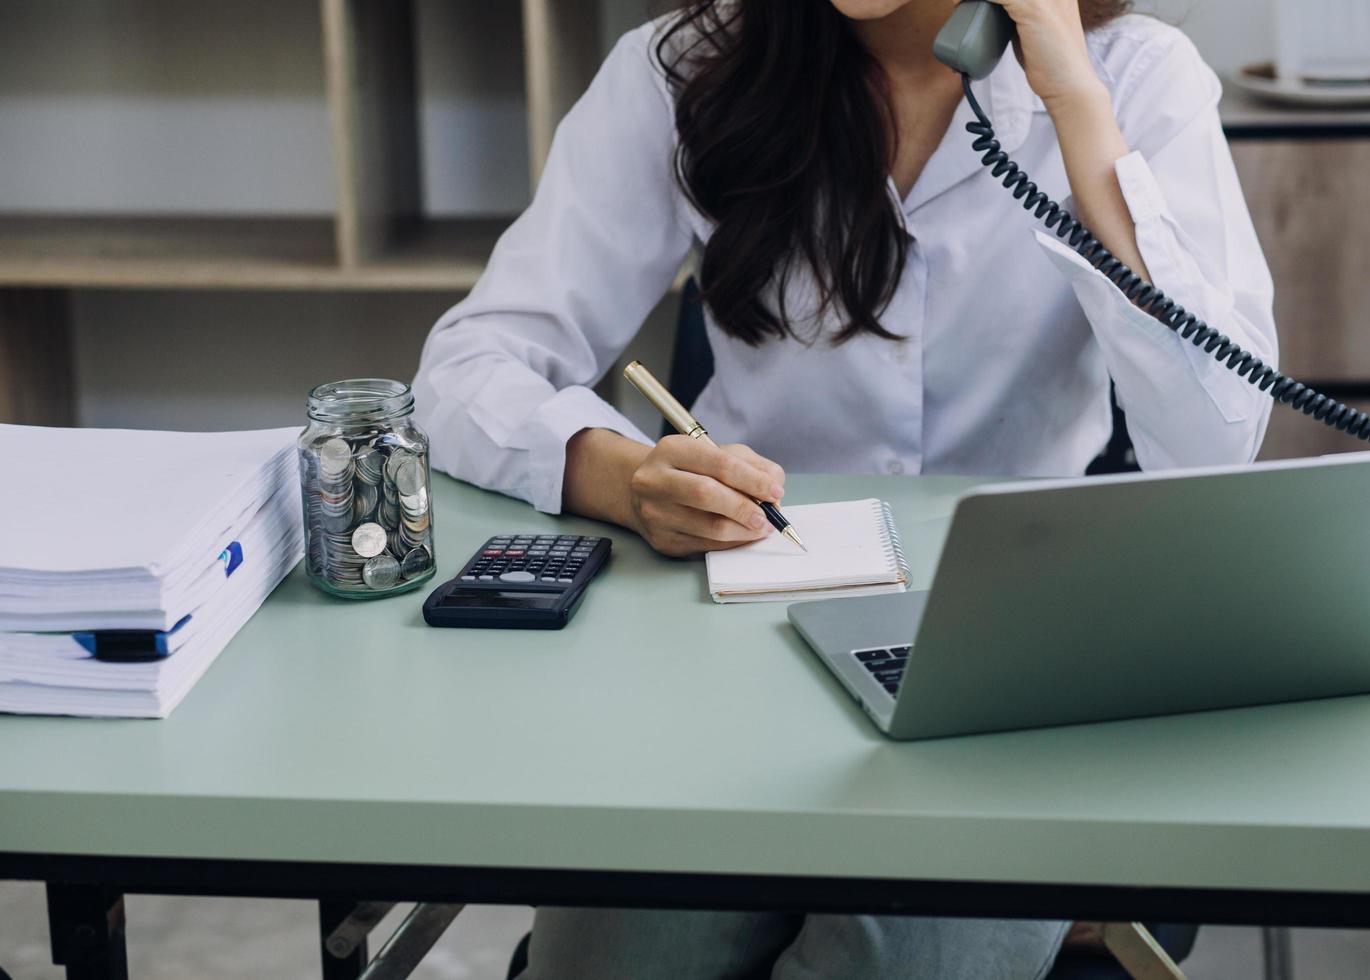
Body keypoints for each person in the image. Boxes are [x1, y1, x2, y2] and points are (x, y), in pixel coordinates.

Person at [414, 0, 1276, 975]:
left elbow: (1217, 435)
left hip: (1001, 665)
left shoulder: (1136, 75)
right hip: (729, 645)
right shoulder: (685, 66)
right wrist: (622, 474)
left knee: (897, 950)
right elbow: (468, 365)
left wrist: (1076, 103)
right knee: (615, 953)